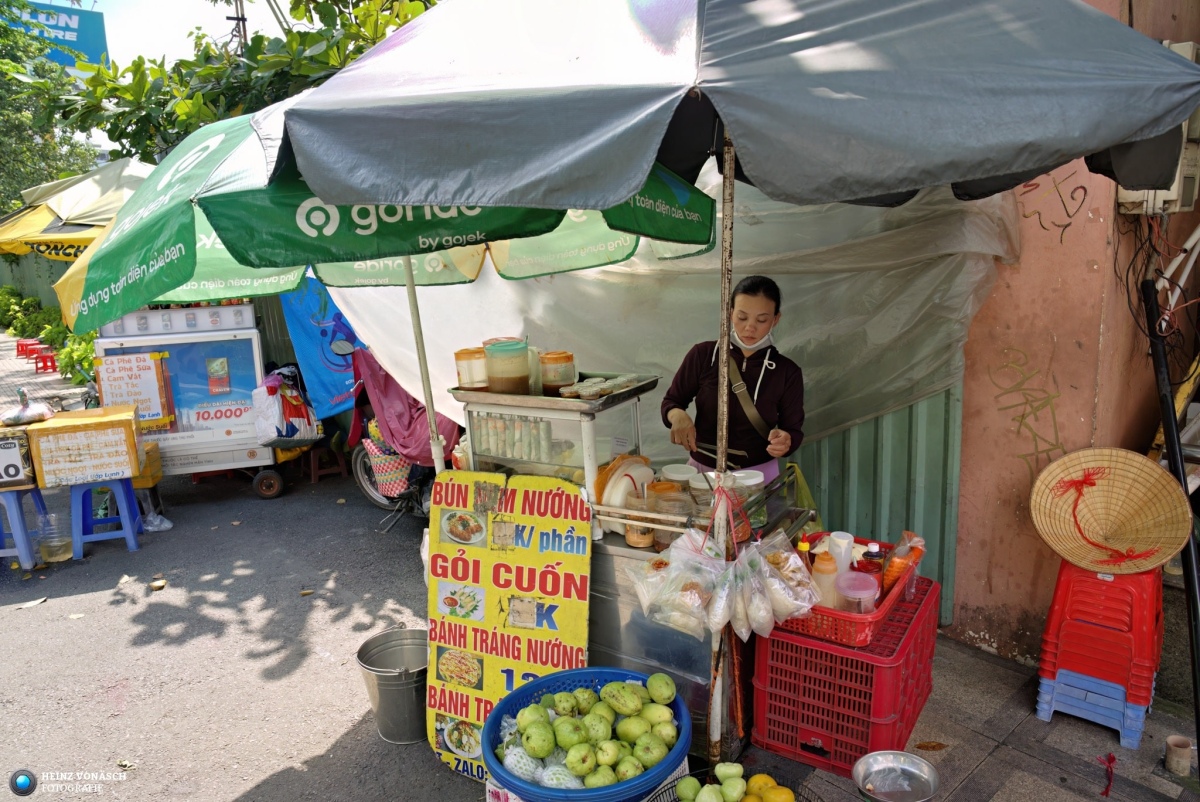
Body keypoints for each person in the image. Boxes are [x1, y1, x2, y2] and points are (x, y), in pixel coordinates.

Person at [661, 275, 804, 482]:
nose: (750, 328)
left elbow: (793, 430)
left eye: (762, 320)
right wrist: (677, 415)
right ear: (730, 314)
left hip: (758, 477)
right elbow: (672, 401)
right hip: (703, 475)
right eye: (742, 317)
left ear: (775, 319)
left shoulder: (787, 371)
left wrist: (786, 441)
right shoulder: (704, 355)